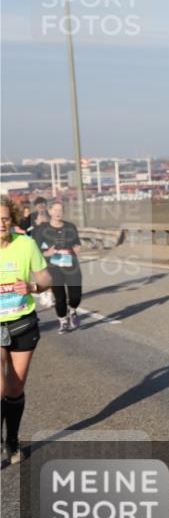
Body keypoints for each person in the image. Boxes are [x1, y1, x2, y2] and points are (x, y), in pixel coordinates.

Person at [1, 196, 52, 464]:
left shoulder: (26, 244)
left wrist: (33, 287)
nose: (1, 223)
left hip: (22, 322)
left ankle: (12, 439)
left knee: (14, 387)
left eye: (5, 218)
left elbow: (45, 277)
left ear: (13, 218)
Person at [33, 202, 82, 334]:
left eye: (60, 210)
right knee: (59, 297)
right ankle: (63, 321)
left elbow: (77, 243)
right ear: (50, 212)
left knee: (75, 295)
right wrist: (46, 253)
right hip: (53, 267)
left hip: (71, 265)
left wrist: (77, 247)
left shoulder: (70, 227)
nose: (58, 212)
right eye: (55, 210)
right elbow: (35, 248)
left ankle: (72, 310)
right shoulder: (42, 229)